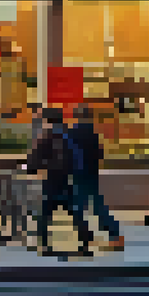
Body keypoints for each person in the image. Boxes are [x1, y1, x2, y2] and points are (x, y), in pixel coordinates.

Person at [25, 106, 92, 256]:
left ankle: (44, 245)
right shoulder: (69, 135)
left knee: (45, 214)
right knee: (75, 212)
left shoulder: (46, 138)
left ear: (48, 121)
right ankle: (85, 243)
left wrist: (31, 167)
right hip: (68, 181)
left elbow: (33, 163)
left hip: (52, 181)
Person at [70, 104, 123, 251]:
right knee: (97, 205)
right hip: (92, 173)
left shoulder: (73, 132)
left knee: (79, 207)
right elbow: (99, 153)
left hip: (78, 173)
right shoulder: (92, 132)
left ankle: (86, 237)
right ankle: (114, 235)